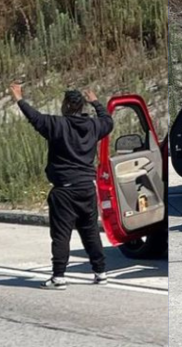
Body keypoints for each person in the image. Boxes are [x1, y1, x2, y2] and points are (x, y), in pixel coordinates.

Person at [10, 83, 114, 290]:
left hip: (65, 189)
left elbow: (35, 117)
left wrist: (19, 99)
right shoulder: (94, 126)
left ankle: (59, 277)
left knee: (61, 234)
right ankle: (100, 272)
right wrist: (96, 102)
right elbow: (108, 122)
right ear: (83, 106)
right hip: (86, 188)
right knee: (90, 231)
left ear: (65, 105)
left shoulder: (57, 125)